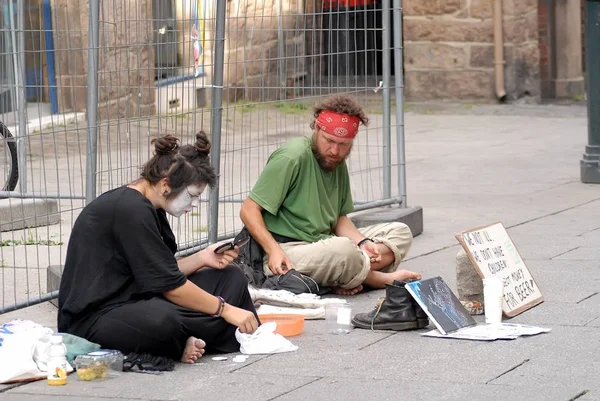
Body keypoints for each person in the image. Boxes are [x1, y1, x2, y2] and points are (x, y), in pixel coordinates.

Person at [58, 131, 259, 364]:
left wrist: (203, 258)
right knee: (164, 320)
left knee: (230, 278)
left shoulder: (150, 205)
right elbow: (170, 286)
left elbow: (159, 271)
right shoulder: (130, 209)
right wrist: (224, 309)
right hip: (96, 317)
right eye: (192, 195)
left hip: (136, 298)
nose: (194, 204)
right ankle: (180, 341)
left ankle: (189, 338)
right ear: (166, 184)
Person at [240, 94, 421, 295]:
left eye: (344, 144)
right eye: (329, 140)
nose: (335, 150)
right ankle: (377, 279)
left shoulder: (336, 163)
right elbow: (249, 210)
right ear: (316, 128)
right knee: (343, 250)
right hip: (286, 250)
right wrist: (273, 250)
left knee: (401, 232)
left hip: (325, 243)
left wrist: (363, 242)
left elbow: (338, 219)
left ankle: (343, 275)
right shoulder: (292, 156)